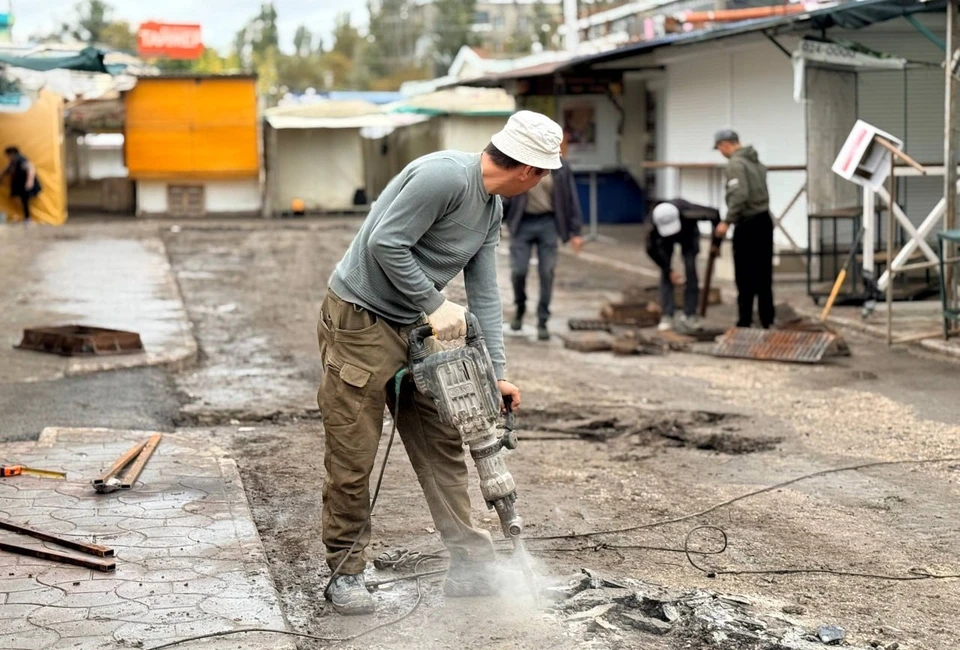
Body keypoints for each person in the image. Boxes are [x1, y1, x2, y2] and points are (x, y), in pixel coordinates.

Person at [317, 110, 562, 615]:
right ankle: (346, 572)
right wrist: (433, 303)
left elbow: (485, 294)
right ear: (529, 171)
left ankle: (471, 563)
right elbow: (386, 243)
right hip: (361, 319)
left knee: (443, 444)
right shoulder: (444, 176)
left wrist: (497, 373)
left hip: (419, 328)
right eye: (546, 174)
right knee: (353, 452)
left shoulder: (491, 208)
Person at [503, 133, 584, 340]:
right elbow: (507, 192)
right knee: (518, 271)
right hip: (523, 223)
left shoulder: (560, 168)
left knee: (547, 272)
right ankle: (520, 307)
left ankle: (542, 320)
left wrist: (575, 231)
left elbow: (570, 198)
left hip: (548, 223)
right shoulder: (523, 161)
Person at [712, 129, 774, 329]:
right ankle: (767, 320)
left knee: (745, 276)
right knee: (764, 275)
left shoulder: (735, 164)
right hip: (764, 221)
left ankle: (744, 321)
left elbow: (740, 195)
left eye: (719, 148)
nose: (721, 152)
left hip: (748, 224)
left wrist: (726, 221)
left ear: (725, 144)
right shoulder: (755, 162)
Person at [646, 199, 720, 332]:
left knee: (691, 270)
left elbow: (715, 215)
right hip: (665, 239)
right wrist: (669, 270)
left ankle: (689, 314)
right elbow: (651, 250)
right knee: (665, 274)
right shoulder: (653, 224)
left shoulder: (690, 211)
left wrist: (716, 243)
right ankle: (667, 314)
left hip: (688, 233)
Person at [1, 146, 41, 223]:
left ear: (12, 153)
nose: (8, 157)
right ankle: (25, 218)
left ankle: (27, 219)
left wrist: (29, 182)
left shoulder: (21, 159)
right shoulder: (14, 161)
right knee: (23, 201)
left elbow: (31, 169)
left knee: (25, 201)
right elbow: (7, 170)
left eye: (8, 155)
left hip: (25, 185)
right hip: (21, 185)